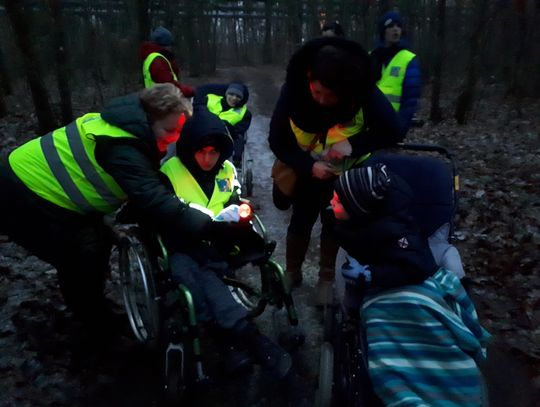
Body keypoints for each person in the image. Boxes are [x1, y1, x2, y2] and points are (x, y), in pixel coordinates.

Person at [0, 83, 251, 339]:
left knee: (97, 242)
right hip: (23, 193)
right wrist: (209, 228)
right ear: (150, 119)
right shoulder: (123, 147)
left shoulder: (129, 124)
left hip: (42, 185)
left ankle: (93, 310)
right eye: (168, 130)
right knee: (80, 254)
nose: (174, 138)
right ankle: (95, 328)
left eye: (179, 131)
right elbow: (153, 199)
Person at [331, 164, 490, 406]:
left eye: (337, 201)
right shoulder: (360, 224)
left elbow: (416, 267)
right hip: (385, 287)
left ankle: (431, 377)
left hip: (411, 290)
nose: (331, 202)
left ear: (356, 209)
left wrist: (371, 275)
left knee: (415, 324)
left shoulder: (401, 236)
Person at [268, 36, 405, 305]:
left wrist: (353, 144)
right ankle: (292, 271)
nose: (321, 101)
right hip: (307, 171)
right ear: (309, 77)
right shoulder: (294, 90)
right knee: (301, 220)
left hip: (346, 176)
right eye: (317, 92)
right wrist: (309, 166)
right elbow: (277, 140)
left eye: (330, 96)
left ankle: (326, 279)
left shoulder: (362, 91)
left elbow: (393, 130)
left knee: (335, 225)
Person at [160, 107, 292, 378]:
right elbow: (164, 213)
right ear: (189, 148)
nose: (208, 159)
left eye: (214, 152)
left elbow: (235, 196)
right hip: (184, 243)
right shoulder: (169, 172)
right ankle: (251, 340)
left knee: (207, 277)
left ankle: (232, 343)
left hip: (221, 239)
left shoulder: (227, 170)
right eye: (201, 152)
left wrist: (238, 209)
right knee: (200, 277)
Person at [370, 11, 421, 130]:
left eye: (398, 26)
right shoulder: (372, 57)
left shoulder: (408, 59)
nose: (395, 29)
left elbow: (410, 100)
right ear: (383, 31)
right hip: (369, 123)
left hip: (392, 124)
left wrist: (400, 126)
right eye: (391, 26)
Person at [193, 83, 252, 167]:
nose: (234, 98)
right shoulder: (210, 99)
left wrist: (225, 126)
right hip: (203, 132)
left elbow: (239, 131)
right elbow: (198, 112)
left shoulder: (244, 113)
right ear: (226, 94)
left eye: (238, 97)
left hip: (224, 138)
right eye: (231, 94)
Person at [140, 26, 194, 97]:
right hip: (162, 100)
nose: (172, 48)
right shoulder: (158, 61)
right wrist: (191, 91)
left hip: (156, 98)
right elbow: (169, 87)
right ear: (165, 45)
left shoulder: (152, 57)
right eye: (170, 45)